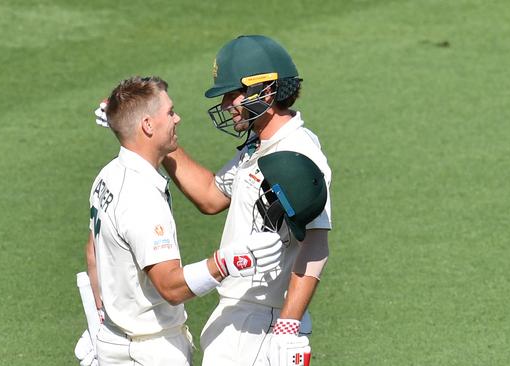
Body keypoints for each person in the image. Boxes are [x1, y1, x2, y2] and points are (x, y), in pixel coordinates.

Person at [80, 76, 284, 366]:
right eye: (170, 112)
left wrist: (104, 324)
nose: (178, 118)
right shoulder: (141, 198)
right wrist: (224, 263)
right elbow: (171, 288)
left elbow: (93, 252)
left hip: (115, 341)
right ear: (148, 126)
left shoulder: (108, 175)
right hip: (149, 350)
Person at [160, 35, 333, 366]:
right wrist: (160, 146)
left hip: (263, 323)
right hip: (236, 312)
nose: (226, 105)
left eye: (232, 94)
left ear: (265, 90)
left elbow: (315, 245)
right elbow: (211, 196)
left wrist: (288, 324)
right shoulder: (258, 147)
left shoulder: (299, 155)